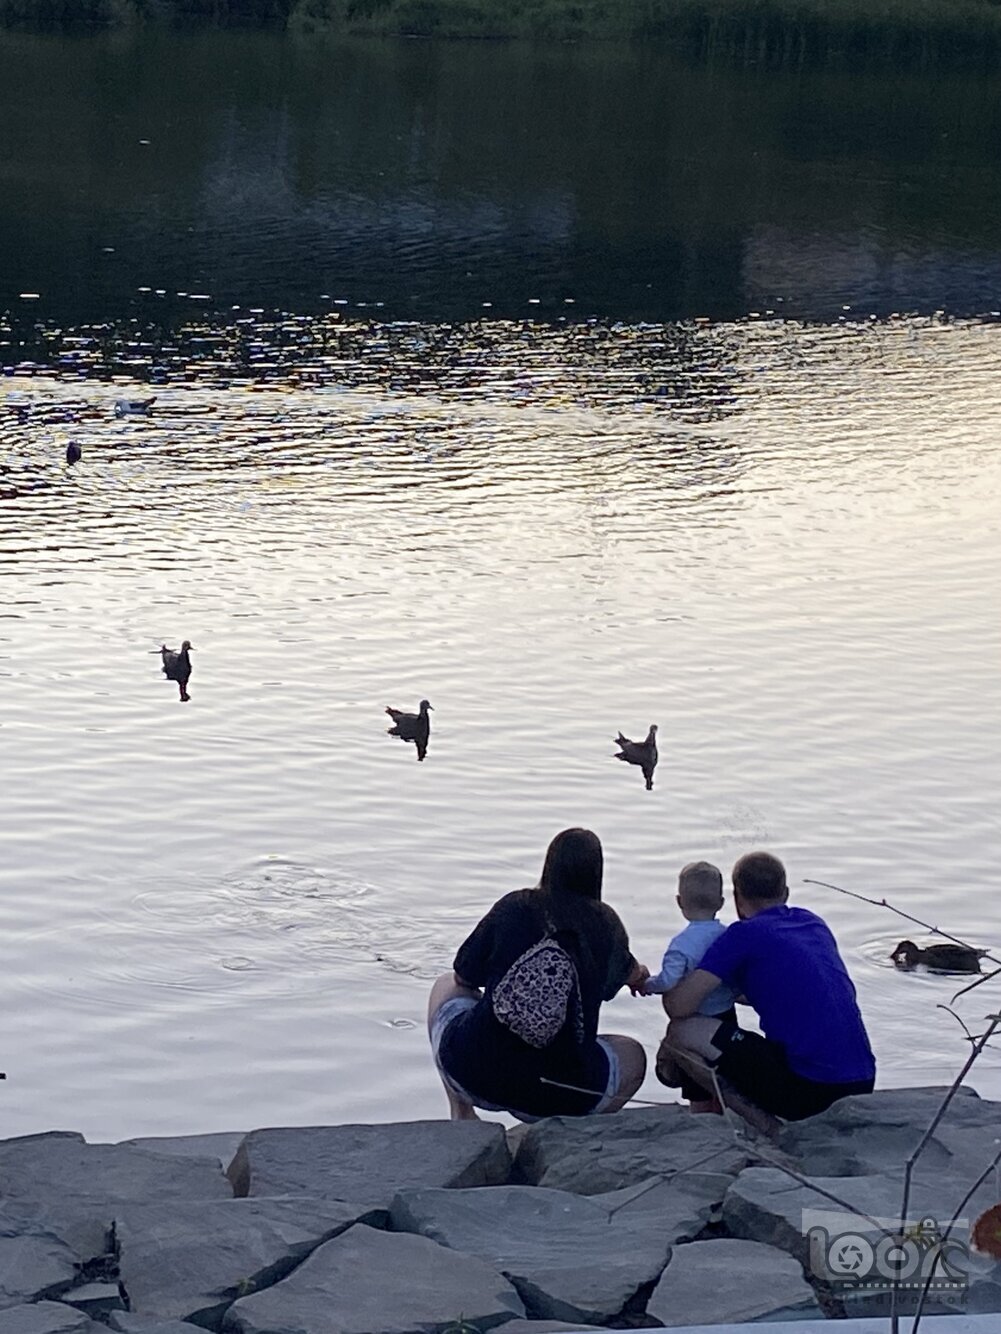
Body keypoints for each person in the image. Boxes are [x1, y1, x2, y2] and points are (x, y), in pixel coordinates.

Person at [428, 828, 649, 1121]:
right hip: (558, 1096)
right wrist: (639, 975)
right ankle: (560, 1133)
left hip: (475, 1075)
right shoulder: (605, 925)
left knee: (445, 984)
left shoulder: (514, 906)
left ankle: (462, 1113)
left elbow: (463, 976)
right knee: (633, 1055)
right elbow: (625, 976)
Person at [659, 851, 875, 1121]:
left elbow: (678, 1007)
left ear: (737, 899)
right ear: (785, 893)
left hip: (812, 1089)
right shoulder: (813, 924)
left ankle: (764, 1124)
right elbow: (782, 992)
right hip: (862, 1081)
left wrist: (666, 980)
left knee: (681, 1032)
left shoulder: (742, 935)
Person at [642, 861, 737, 1113]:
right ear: (721, 902)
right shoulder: (728, 936)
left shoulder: (681, 945)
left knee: (697, 1081)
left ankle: (701, 1116)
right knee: (725, 1073)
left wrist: (648, 985)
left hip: (694, 1019)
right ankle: (723, 1112)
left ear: (679, 902)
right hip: (726, 1016)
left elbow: (668, 980)